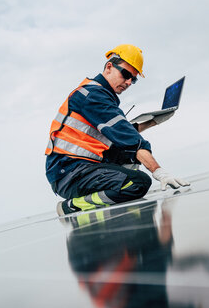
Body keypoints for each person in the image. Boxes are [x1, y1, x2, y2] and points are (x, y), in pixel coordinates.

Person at [45, 44, 189, 216]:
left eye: (133, 79)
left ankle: (119, 197)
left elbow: (119, 134)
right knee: (138, 182)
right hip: (69, 172)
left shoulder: (99, 95)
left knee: (129, 157)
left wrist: (152, 121)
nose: (129, 82)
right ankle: (73, 206)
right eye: (126, 74)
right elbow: (129, 139)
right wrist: (159, 172)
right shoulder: (93, 96)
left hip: (78, 168)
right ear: (109, 67)